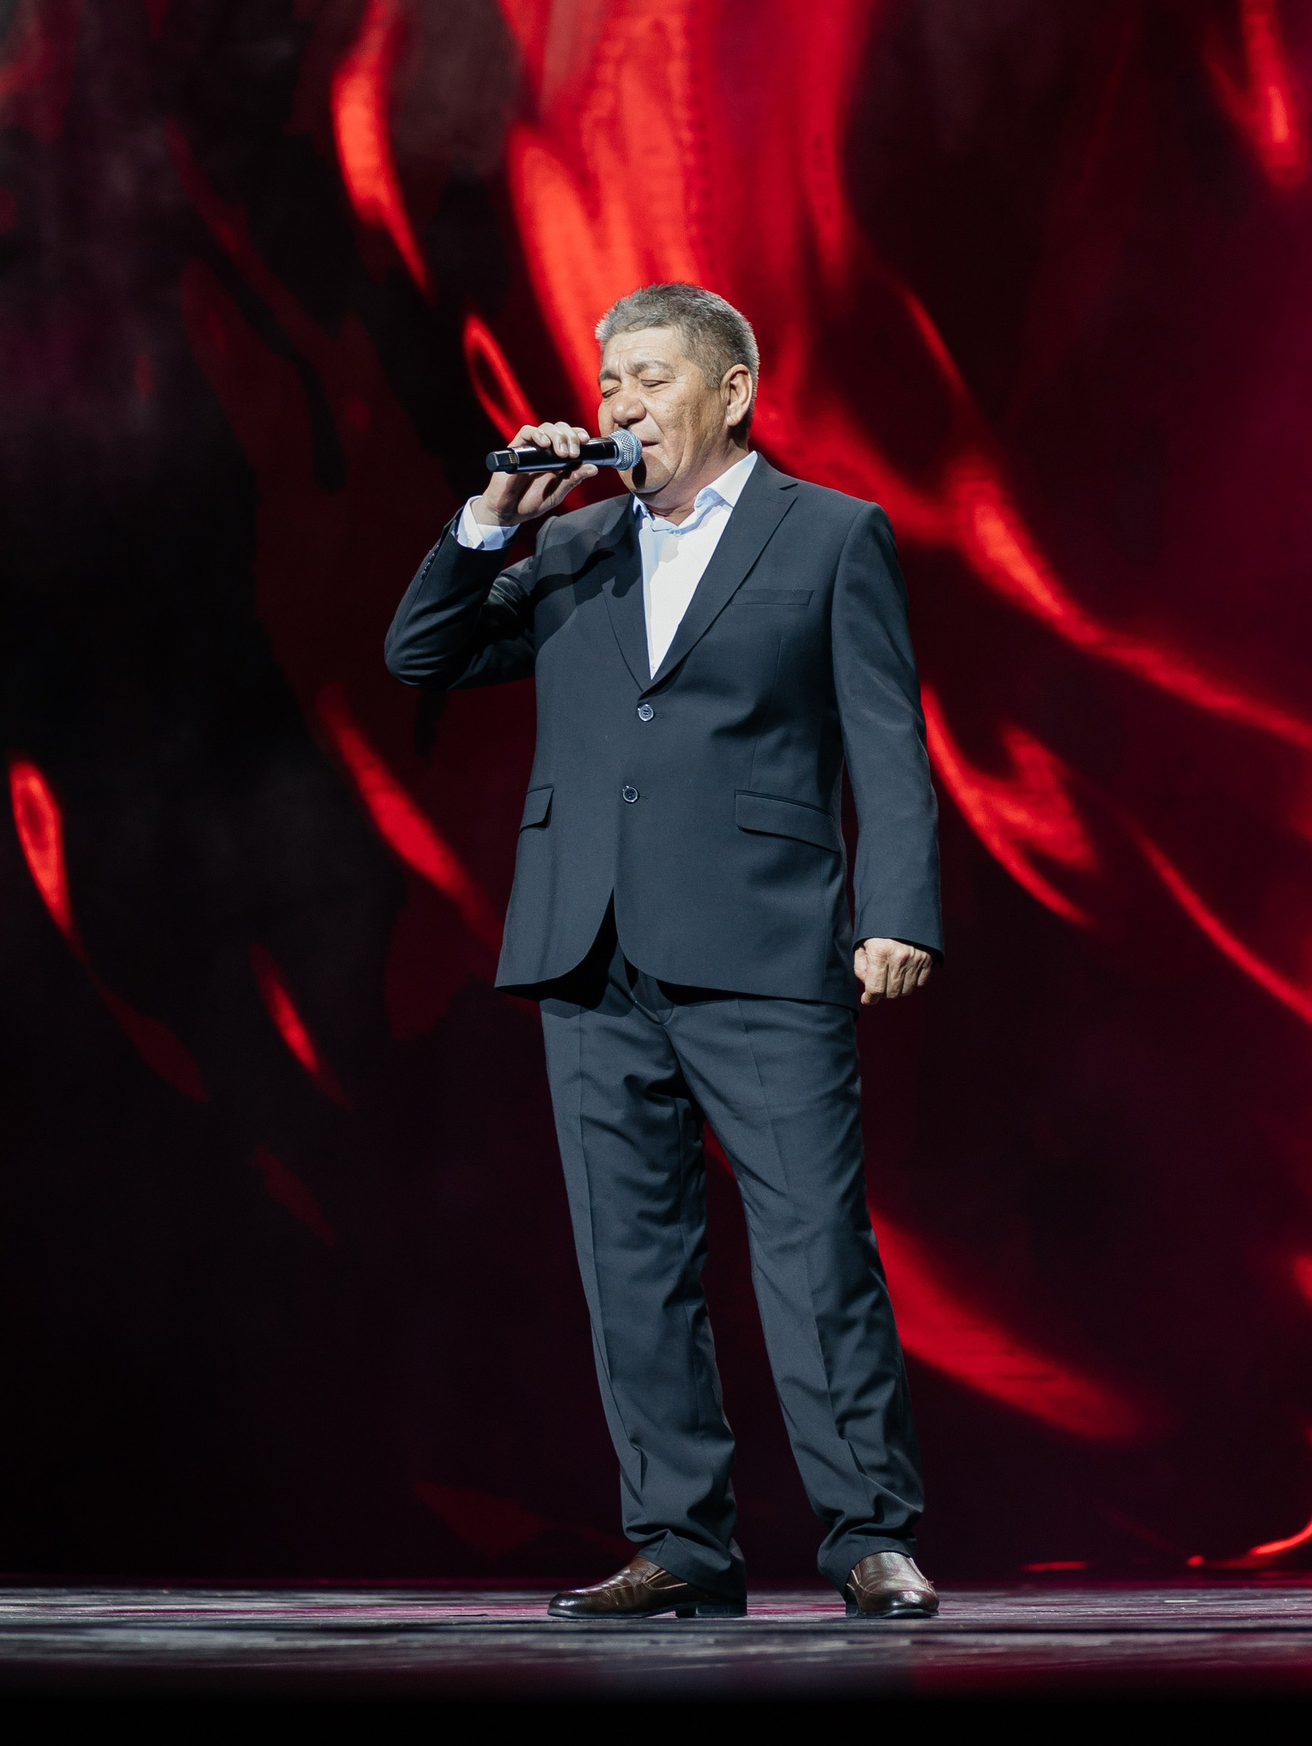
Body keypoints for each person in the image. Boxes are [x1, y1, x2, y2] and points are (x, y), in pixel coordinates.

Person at [385, 283, 943, 1620]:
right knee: (629, 1262)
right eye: (608, 382)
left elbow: (887, 741)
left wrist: (898, 911)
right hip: (590, 951)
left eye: (649, 378)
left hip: (763, 941)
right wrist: (491, 520)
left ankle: (870, 1534)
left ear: (731, 392)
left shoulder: (830, 534)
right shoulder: (575, 544)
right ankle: (681, 1544)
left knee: (813, 1250)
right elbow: (421, 655)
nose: (620, 405)